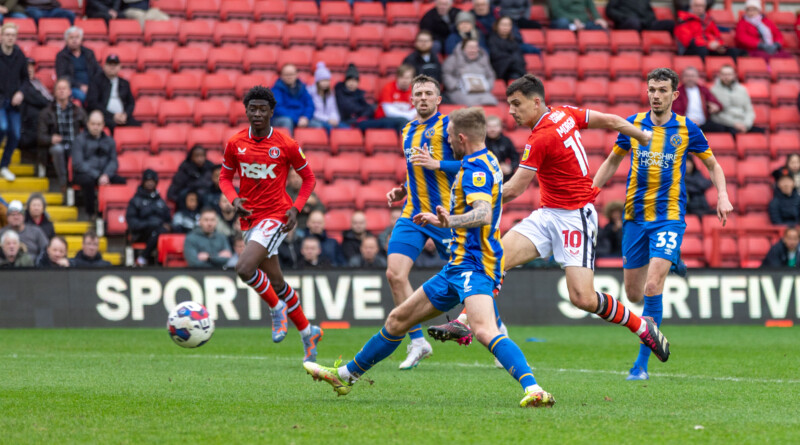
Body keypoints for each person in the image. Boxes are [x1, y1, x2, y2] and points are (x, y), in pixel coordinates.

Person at [305, 107, 555, 408]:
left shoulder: (475, 170)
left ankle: (534, 388)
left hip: (475, 265)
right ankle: (346, 376)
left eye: (449, 135)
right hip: (457, 265)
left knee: (484, 330)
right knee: (398, 320)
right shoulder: (486, 159)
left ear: (461, 138)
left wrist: (449, 221)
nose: (446, 139)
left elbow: (483, 213)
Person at [432, 74, 672, 376]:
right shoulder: (565, 113)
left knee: (583, 298)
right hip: (547, 215)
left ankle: (642, 326)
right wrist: (641, 136)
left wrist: (474, 200)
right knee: (493, 259)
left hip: (575, 218)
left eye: (516, 104)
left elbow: (514, 189)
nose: (511, 111)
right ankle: (466, 322)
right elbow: (611, 120)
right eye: (509, 104)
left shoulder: (541, 137)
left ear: (536, 102)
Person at [592, 68, 732, 380]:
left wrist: (722, 195)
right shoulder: (633, 124)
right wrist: (591, 193)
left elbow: (713, 165)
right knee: (634, 295)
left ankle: (641, 365)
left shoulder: (687, 129)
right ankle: (674, 260)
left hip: (668, 217)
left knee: (653, 286)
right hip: (635, 218)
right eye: (652, 90)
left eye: (662, 90)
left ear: (674, 94)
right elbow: (613, 160)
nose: (656, 96)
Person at [385, 74, 508, 370]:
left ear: (438, 99)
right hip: (414, 213)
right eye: (418, 94)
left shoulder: (448, 127)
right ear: (411, 99)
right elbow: (416, 170)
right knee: (394, 274)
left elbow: (470, 163)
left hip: (445, 216)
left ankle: (497, 330)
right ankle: (418, 341)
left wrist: (437, 163)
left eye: (429, 93)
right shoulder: (407, 130)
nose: (423, 98)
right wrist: (403, 188)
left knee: (470, 274)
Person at [220, 85, 322, 362]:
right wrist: (234, 200)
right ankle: (308, 332)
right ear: (246, 110)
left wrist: (296, 208)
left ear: (271, 112)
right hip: (250, 219)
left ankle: (277, 310)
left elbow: (309, 178)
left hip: (276, 216)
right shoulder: (235, 143)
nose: (257, 113)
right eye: (252, 109)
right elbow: (224, 178)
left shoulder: (286, 144)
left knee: (244, 268)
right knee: (277, 282)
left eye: (262, 109)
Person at [71, 110, 125, 217]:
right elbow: (78, 164)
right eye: (93, 124)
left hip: (104, 174)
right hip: (86, 173)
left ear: (103, 125)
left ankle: (114, 214)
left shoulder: (110, 141)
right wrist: (98, 175)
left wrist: (106, 175)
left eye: (99, 124)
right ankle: (90, 213)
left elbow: (113, 161)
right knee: (88, 181)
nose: (96, 127)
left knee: (121, 181)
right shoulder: (79, 140)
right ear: (88, 124)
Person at [38, 78, 87, 192]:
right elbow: (40, 137)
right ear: (54, 92)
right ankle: (63, 183)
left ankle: (75, 184)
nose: (61, 91)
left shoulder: (78, 110)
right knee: (57, 150)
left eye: (64, 88)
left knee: (80, 150)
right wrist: (51, 139)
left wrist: (81, 140)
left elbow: (88, 128)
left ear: (70, 92)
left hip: (74, 145)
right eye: (59, 89)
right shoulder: (46, 112)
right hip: (57, 146)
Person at [125, 168, 171, 266]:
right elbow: (132, 223)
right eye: (147, 181)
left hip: (159, 233)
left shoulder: (161, 201)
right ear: (143, 182)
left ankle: (144, 258)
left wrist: (168, 225)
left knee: (163, 231)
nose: (150, 183)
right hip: (140, 233)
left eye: (152, 181)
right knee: (160, 231)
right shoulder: (135, 201)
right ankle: (144, 258)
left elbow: (168, 220)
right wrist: (151, 224)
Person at [87, 53, 140, 134]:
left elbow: (131, 103)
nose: (112, 67)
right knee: (110, 125)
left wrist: (125, 115)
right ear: (104, 66)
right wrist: (112, 115)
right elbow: (93, 103)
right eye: (109, 64)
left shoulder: (125, 83)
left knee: (137, 126)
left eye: (115, 65)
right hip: (105, 116)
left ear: (119, 67)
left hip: (122, 117)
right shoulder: (96, 81)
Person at [0, 22, 27, 182]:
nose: (10, 38)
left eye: (13, 35)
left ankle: (4, 165)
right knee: (2, 127)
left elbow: (25, 79)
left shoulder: (19, 55)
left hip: (13, 103)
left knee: (15, 135)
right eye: (7, 34)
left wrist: (21, 92)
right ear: (2, 36)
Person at [675, 0, 745, 59]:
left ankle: (729, 70)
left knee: (734, 51)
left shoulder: (708, 20)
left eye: (702, 6)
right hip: (691, 50)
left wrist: (719, 45)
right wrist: (708, 44)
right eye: (697, 5)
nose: (699, 8)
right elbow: (689, 42)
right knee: (702, 50)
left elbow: (717, 36)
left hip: (709, 47)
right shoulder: (684, 20)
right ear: (691, 6)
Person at [672, 67, 727, 134]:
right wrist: (687, 121)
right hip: (685, 124)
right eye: (687, 76)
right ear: (682, 78)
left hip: (704, 123)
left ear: (697, 77)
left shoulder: (703, 90)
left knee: (721, 128)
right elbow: (675, 111)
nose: (690, 78)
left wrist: (716, 107)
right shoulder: (678, 92)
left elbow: (718, 104)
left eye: (692, 76)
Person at [442, 39, 497, 106]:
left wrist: (487, 85)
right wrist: (457, 85)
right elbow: (446, 74)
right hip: (459, 91)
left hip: (481, 91)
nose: (473, 50)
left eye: (475, 47)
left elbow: (490, 75)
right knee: (472, 104)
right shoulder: (453, 59)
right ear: (463, 48)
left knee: (491, 101)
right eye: (470, 47)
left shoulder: (483, 59)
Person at [709, 64, 761, 135]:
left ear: (734, 75)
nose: (726, 77)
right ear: (720, 75)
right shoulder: (713, 91)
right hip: (726, 124)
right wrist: (734, 124)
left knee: (760, 132)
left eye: (729, 74)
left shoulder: (742, 90)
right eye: (724, 74)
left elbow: (749, 110)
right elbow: (715, 115)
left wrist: (746, 125)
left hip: (743, 123)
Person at [271, 64, 320, 135]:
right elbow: (278, 109)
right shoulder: (276, 90)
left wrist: (306, 117)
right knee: (287, 121)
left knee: (317, 125)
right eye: (286, 74)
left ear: (296, 74)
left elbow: (310, 105)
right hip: (282, 118)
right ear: (281, 76)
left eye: (291, 74)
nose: (289, 77)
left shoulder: (303, 88)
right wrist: (296, 119)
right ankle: (288, 142)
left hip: (302, 118)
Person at [56, 27, 100, 104]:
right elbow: (62, 76)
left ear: (81, 39)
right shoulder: (62, 56)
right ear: (66, 40)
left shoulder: (89, 53)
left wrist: (93, 86)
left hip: (91, 85)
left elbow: (97, 70)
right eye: (71, 37)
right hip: (73, 87)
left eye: (77, 37)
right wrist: (80, 86)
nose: (74, 40)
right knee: (83, 96)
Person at [20, 58, 53, 155]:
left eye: (31, 67)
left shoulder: (37, 82)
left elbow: (48, 99)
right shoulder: (22, 85)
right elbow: (42, 101)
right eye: (27, 67)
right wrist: (52, 104)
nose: (30, 69)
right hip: (28, 130)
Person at [374, 64, 417, 133]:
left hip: (405, 121)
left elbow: (416, 110)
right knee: (404, 122)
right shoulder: (388, 88)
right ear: (397, 77)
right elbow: (389, 112)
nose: (405, 81)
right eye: (402, 77)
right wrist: (408, 116)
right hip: (385, 119)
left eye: (407, 78)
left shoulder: (414, 91)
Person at [487, 16, 527, 83]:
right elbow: (495, 55)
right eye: (503, 25)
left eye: (508, 25)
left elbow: (519, 57)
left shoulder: (513, 41)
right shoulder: (491, 39)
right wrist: (511, 59)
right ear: (497, 26)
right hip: (501, 69)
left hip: (515, 69)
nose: (505, 27)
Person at [307, 62, 341, 133]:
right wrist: (328, 119)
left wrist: (334, 119)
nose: (325, 83)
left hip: (329, 120)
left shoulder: (330, 93)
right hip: (315, 120)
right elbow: (314, 112)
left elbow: (334, 109)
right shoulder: (311, 92)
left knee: (345, 127)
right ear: (318, 81)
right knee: (328, 127)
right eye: (323, 80)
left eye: (327, 80)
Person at [485, 115, 519, 181]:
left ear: (501, 127)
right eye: (489, 127)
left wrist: (510, 167)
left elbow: (515, 157)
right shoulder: (481, 142)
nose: (492, 129)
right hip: (486, 172)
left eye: (495, 126)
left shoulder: (506, 141)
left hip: (503, 173)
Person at [605, 0, 674, 32]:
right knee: (634, 22)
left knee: (670, 24)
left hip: (645, 23)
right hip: (627, 22)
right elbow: (610, 10)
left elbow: (650, 13)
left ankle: (678, 51)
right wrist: (624, 18)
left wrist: (648, 20)